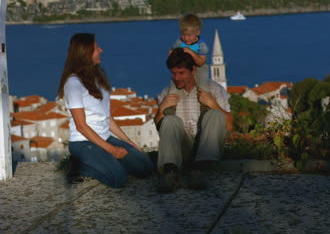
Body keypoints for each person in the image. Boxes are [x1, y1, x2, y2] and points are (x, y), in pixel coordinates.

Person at [57, 33, 153, 188]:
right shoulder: (73, 83)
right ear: (86, 53)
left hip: (105, 137)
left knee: (145, 168)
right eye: (97, 48)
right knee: (118, 179)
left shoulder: (97, 78)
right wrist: (111, 150)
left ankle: (106, 163)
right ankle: (78, 166)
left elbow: (107, 117)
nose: (101, 50)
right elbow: (81, 126)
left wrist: (127, 141)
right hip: (83, 143)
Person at [155, 48, 233, 193]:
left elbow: (229, 125)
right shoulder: (167, 93)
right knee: (169, 120)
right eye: (173, 73)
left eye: (181, 73)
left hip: (207, 148)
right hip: (181, 150)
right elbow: (161, 129)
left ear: (193, 70)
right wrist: (161, 110)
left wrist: (212, 104)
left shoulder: (214, 89)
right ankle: (170, 174)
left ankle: (199, 171)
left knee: (215, 114)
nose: (177, 78)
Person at [166, 13, 210, 114]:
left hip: (199, 67)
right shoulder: (179, 42)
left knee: (203, 84)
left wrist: (191, 52)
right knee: (174, 83)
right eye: (183, 34)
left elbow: (201, 62)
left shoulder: (201, 45)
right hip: (183, 66)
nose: (186, 38)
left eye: (189, 35)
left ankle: (204, 105)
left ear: (197, 33)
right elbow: (172, 52)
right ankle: (171, 106)